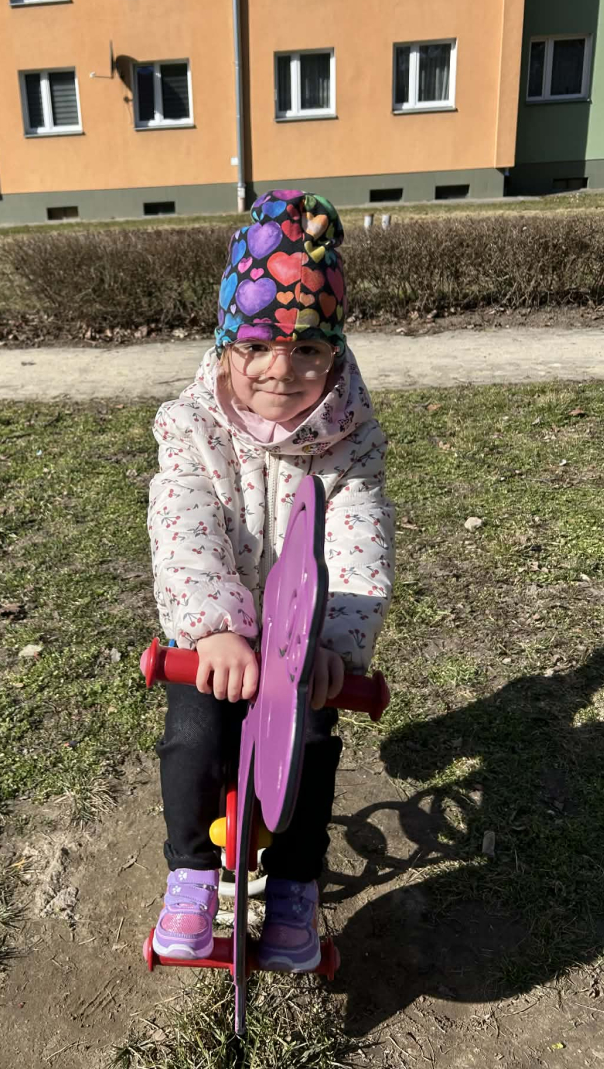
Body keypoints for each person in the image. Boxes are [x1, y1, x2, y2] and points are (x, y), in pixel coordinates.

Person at [146, 188, 395, 971]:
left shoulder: (350, 441)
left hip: (302, 643)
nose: (281, 371)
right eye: (256, 347)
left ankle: (293, 886)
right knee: (194, 734)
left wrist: (334, 648)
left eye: (309, 351)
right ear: (226, 348)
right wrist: (213, 628)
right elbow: (184, 527)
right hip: (212, 637)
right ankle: (190, 873)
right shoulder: (192, 428)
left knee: (312, 741)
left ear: (336, 357)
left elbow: (357, 546)